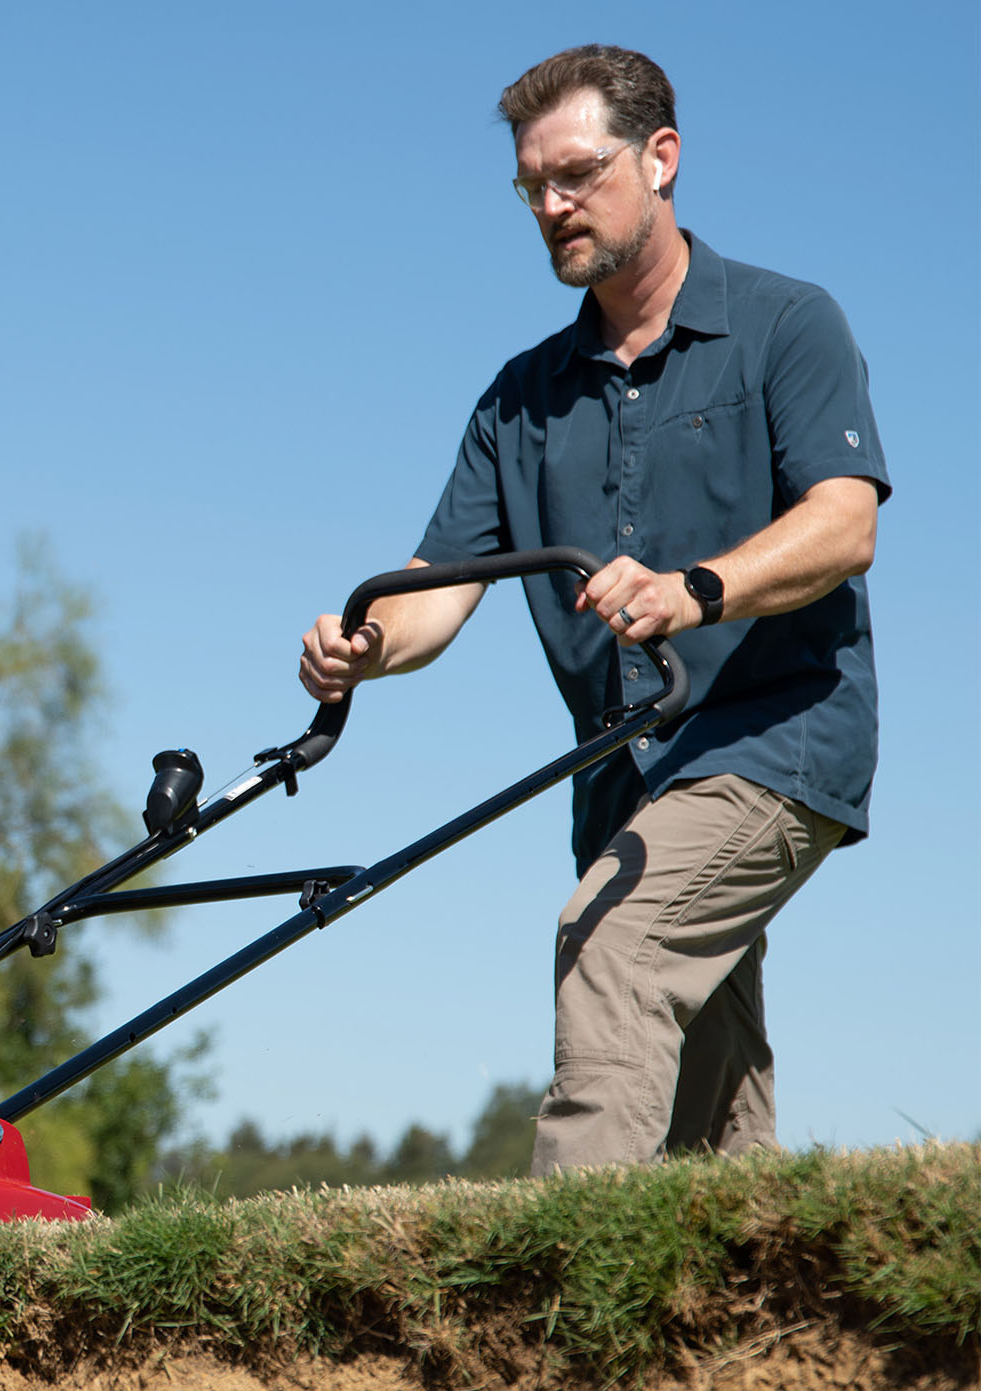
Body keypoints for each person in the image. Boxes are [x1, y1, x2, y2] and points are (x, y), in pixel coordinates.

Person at [298, 45, 888, 1175]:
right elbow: (444, 583)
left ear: (661, 158)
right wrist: (368, 647)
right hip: (624, 778)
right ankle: (735, 1316)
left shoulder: (786, 324)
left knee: (612, 942)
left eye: (576, 174)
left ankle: (559, 1301)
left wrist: (693, 589)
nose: (553, 206)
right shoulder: (520, 399)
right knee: (704, 1099)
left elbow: (844, 523)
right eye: (533, 186)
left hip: (774, 738)